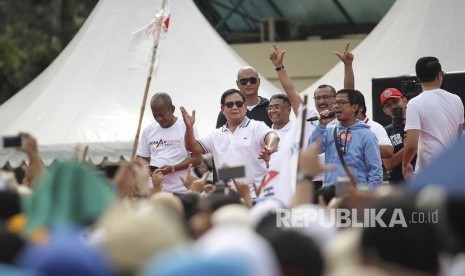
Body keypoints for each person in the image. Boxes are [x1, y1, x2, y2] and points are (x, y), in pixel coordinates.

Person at [181, 89, 280, 195]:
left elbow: (273, 137)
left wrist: (269, 149)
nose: (234, 107)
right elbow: (192, 147)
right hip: (228, 197)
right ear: (222, 109)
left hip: (256, 195)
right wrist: (189, 128)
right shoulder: (215, 135)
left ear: (245, 107)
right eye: (229, 105)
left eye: (239, 104)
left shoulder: (256, 126)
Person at [403, 57, 464, 179]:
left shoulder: (414, 103)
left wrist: (405, 164)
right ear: (439, 75)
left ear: (418, 78)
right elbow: (458, 136)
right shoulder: (456, 99)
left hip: (428, 171)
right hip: (453, 169)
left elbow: (411, 144)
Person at [308, 89, 383, 189]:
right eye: (335, 102)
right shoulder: (329, 131)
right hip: (330, 194)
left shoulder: (367, 134)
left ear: (355, 107)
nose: (336, 106)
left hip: (355, 196)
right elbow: (312, 149)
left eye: (342, 102)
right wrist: (321, 126)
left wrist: (367, 196)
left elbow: (375, 171)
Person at [136, 92, 201, 194]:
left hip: (180, 191)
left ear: (172, 109)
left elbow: (197, 159)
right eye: (155, 115)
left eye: (162, 114)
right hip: (156, 191)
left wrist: (173, 168)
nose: (159, 119)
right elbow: (141, 160)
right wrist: (148, 170)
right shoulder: (148, 130)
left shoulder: (186, 126)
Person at [379, 88, 416, 184]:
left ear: (404, 101)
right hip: (398, 183)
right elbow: (388, 164)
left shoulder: (418, 123)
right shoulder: (384, 131)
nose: (393, 106)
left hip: (421, 179)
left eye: (396, 101)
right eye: (388, 105)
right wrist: (408, 147)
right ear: (385, 111)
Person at [353, 90, 394, 159]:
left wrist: (356, 146)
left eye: (343, 103)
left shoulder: (375, 127)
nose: (337, 106)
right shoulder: (335, 126)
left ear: (360, 108)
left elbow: (388, 152)